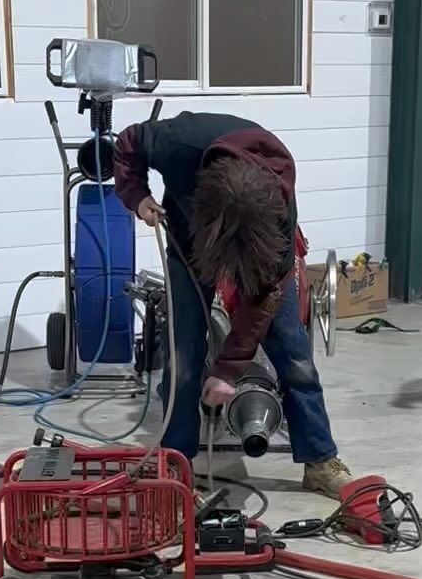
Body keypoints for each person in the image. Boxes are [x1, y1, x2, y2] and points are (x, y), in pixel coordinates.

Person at [112, 110, 350, 495]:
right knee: (183, 350)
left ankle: (320, 461)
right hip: (191, 239)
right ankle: (177, 459)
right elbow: (126, 145)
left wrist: (229, 369)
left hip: (256, 243)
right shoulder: (176, 143)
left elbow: (265, 296)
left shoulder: (277, 207)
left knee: (293, 352)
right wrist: (136, 197)